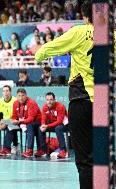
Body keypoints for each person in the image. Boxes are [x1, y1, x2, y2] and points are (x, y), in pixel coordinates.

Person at [35, 1, 93, 188]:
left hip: (81, 99)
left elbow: (49, 48)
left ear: (85, 15)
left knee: (84, 158)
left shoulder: (79, 32)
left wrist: (38, 54)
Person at [0, 88, 44, 157]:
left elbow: (31, 119)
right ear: (16, 96)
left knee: (29, 125)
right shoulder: (15, 103)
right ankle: (6, 149)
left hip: (36, 122)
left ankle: (30, 150)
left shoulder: (31, 103)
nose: (21, 98)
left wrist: (19, 122)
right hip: (22, 122)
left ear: (26, 95)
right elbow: (14, 116)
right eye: (19, 96)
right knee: (10, 125)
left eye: (22, 95)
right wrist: (11, 121)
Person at [40, 92, 69, 158]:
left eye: (51, 99)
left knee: (58, 128)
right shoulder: (45, 107)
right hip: (53, 125)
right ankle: (43, 150)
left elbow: (59, 121)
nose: (49, 102)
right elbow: (43, 119)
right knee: (40, 129)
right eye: (47, 100)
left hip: (64, 125)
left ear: (54, 100)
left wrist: (47, 126)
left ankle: (63, 150)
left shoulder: (60, 106)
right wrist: (43, 125)